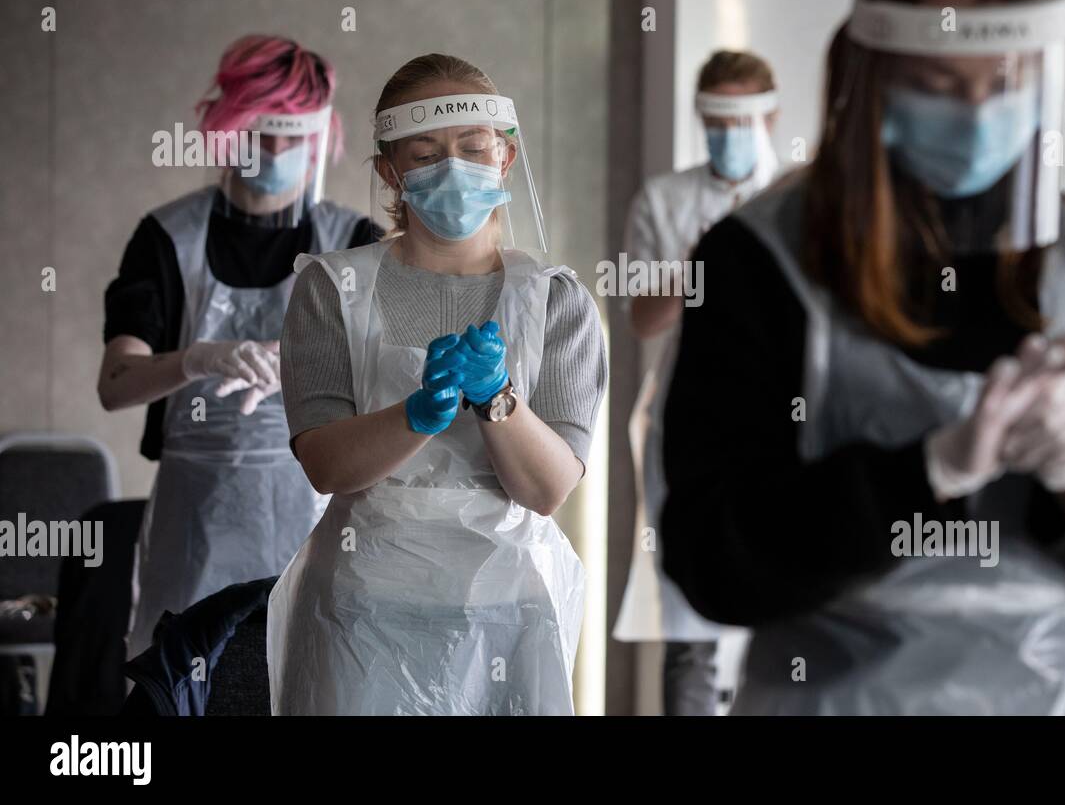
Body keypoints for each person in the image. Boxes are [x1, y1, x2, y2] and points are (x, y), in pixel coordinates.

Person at [660, 0, 1065, 715]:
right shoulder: (760, 261)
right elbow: (715, 562)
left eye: (1001, 83)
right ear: (870, 68)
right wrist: (927, 472)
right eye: (936, 83)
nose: (974, 115)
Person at [267, 53, 607, 715]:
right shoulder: (331, 288)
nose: (453, 167)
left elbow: (547, 490)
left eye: (473, 147)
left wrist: (499, 400)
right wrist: (414, 416)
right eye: (425, 152)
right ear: (390, 172)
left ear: (504, 157)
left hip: (508, 614)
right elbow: (326, 465)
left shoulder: (555, 301)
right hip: (361, 615)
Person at [100, 35, 371, 660]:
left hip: (317, 520)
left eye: (291, 137)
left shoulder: (354, 244)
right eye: (259, 134)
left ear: (319, 138)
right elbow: (115, 383)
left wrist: (311, 369)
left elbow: (395, 388)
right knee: (183, 683)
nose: (275, 152)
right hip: (193, 527)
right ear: (225, 128)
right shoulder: (168, 238)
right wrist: (196, 359)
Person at [613, 49, 785, 716]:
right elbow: (638, 318)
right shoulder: (665, 199)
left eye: (741, 120)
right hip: (693, 420)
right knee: (690, 619)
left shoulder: (797, 194)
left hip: (786, 424)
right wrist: (700, 268)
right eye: (715, 120)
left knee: (787, 604)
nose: (729, 135)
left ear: (771, 114)